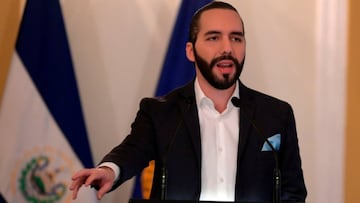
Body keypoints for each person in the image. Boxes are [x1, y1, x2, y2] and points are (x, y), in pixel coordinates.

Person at [70, 1, 307, 202]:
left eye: (236, 38)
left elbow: (293, 191)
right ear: (191, 51)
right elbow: (132, 151)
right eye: (214, 38)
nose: (227, 48)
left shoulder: (277, 114)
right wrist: (109, 170)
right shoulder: (160, 112)